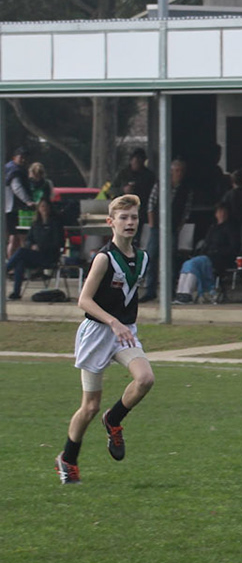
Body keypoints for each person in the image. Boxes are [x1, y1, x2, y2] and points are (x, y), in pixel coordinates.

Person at [57, 195, 156, 484]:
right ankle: (67, 459)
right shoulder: (104, 258)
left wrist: (122, 324)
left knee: (145, 379)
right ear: (111, 222)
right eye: (123, 218)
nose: (129, 222)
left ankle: (113, 420)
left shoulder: (143, 258)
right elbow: (84, 300)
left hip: (123, 332)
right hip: (98, 334)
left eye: (134, 217)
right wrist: (113, 322)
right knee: (90, 406)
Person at [176, 201, 242, 302]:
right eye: (220, 211)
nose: (222, 214)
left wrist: (217, 251)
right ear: (216, 214)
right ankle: (180, 293)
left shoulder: (231, 228)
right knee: (187, 264)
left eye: (224, 211)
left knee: (193, 264)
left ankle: (187, 294)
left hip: (220, 258)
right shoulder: (213, 228)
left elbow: (234, 247)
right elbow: (206, 244)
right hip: (207, 256)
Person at [7, 198, 67, 298]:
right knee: (20, 261)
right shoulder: (36, 224)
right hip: (36, 255)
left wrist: (41, 246)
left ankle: (4, 270)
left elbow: (58, 243)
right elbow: (28, 239)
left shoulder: (56, 223)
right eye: (42, 206)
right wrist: (31, 245)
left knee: (21, 252)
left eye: (46, 206)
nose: (44, 208)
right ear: (38, 208)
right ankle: (16, 292)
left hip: (49, 256)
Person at [3, 149, 30, 258]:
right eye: (21, 157)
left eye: (25, 158)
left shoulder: (6, 168)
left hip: (7, 207)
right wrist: (27, 201)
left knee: (12, 237)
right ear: (14, 158)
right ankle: (12, 262)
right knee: (16, 237)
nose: (23, 160)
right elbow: (17, 188)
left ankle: (11, 261)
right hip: (13, 208)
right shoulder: (15, 171)